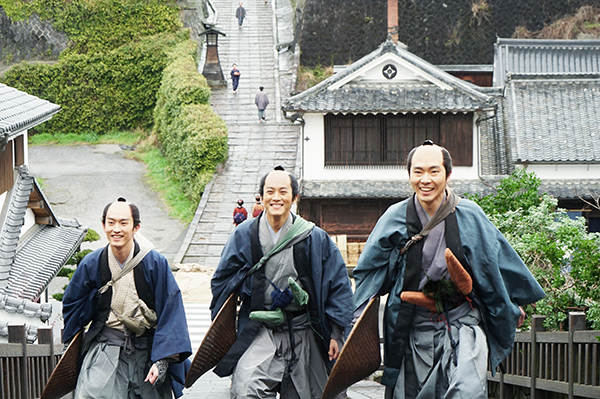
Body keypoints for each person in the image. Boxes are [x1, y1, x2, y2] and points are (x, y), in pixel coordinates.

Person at [352, 141, 545, 399]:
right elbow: (369, 270)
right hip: (412, 325)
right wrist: (354, 319)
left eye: (434, 171)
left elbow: (493, 262)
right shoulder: (394, 217)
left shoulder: (470, 214)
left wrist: (511, 301)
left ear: (448, 174)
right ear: (409, 174)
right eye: (418, 172)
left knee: (468, 390)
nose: (425, 179)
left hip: (462, 320)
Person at [210, 166, 353, 398]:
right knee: (246, 389)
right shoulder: (244, 235)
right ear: (262, 196)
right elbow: (222, 280)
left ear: (294, 197)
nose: (276, 197)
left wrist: (337, 333)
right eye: (270, 192)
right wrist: (253, 286)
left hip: (304, 329)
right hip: (261, 329)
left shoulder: (314, 237)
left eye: (283, 192)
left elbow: (338, 285)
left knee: (319, 393)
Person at [62, 198, 192, 399]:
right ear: (103, 225)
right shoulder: (92, 263)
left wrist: (162, 361)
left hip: (147, 352)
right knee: (90, 394)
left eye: (124, 223)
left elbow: (171, 310)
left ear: (136, 227)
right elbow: (72, 304)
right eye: (111, 222)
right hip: (105, 348)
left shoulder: (154, 263)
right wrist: (70, 347)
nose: (116, 229)